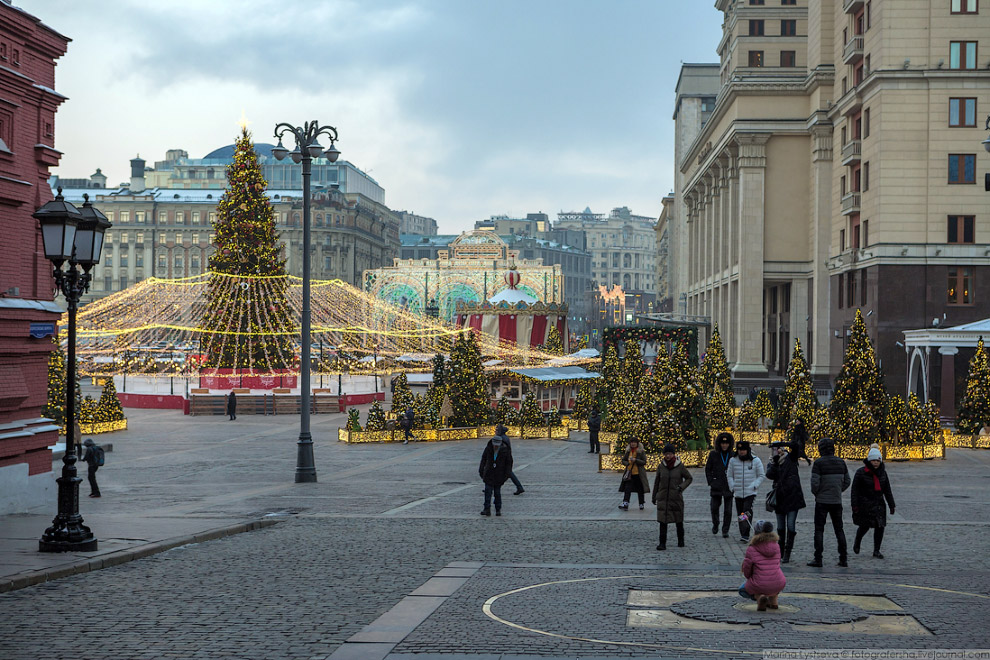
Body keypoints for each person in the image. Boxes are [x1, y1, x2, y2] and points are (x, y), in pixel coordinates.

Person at [808, 437, 851, 567]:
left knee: (819, 530)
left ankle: (818, 558)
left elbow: (814, 483)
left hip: (821, 501)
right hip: (836, 501)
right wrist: (838, 490)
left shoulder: (819, 463)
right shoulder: (841, 462)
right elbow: (847, 481)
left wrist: (818, 493)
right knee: (839, 529)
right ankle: (843, 558)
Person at [851, 447, 896, 559]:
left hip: (879, 504)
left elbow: (887, 490)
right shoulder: (861, 473)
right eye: (873, 460)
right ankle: (858, 541)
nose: (875, 463)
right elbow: (854, 491)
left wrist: (891, 505)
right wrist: (855, 505)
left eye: (877, 460)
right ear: (869, 461)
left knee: (880, 527)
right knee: (864, 526)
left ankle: (876, 550)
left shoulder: (883, 474)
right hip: (865, 504)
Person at [766, 442, 806, 563]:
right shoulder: (773, 462)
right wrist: (774, 462)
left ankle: (788, 552)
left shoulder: (791, 458)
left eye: (779, 449)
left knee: (791, 526)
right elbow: (769, 475)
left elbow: (796, 446)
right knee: (781, 527)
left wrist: (783, 443)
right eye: (775, 449)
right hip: (780, 498)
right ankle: (781, 552)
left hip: (793, 496)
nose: (777, 451)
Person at [651, 443, 693, 550]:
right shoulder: (661, 466)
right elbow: (657, 482)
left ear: (673, 454)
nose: (668, 456)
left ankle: (681, 540)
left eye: (669, 453)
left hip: (676, 497)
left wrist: (681, 487)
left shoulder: (679, 466)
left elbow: (689, 478)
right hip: (663, 498)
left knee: (678, 520)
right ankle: (662, 543)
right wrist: (654, 495)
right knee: (663, 521)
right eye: (666, 454)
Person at [739, 520, 786, 611]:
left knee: (742, 590)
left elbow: (747, 571)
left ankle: (759, 597)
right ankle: (773, 602)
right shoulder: (776, 546)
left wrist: (749, 577)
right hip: (778, 582)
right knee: (772, 580)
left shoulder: (752, 548)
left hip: (759, 584)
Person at [727, 439, 765, 542]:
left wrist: (754, 485)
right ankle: (743, 532)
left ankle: (746, 532)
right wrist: (732, 486)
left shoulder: (755, 460)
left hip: (750, 492)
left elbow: (761, 475)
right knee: (740, 513)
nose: (741, 452)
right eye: (739, 450)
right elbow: (730, 475)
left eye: (743, 450)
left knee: (747, 511)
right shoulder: (733, 460)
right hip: (738, 492)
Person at [705, 432, 735, 537]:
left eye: (726, 443)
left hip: (729, 486)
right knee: (714, 507)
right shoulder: (713, 454)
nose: (724, 445)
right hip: (716, 485)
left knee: (728, 510)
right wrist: (711, 481)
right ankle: (715, 523)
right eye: (722, 443)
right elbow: (708, 469)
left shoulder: (733, 455)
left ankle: (725, 529)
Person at [479, 435, 512, 516]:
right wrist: (481, 470)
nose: (495, 446)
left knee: (497, 493)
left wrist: (506, 475)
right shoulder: (488, 448)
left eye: (497, 444)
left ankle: (498, 509)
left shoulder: (505, 450)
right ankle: (487, 509)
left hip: (499, 474)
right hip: (489, 473)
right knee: (488, 491)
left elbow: (509, 463)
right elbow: (483, 459)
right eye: (494, 444)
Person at [618, 439, 649, 510]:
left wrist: (636, 460)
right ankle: (625, 503)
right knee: (627, 488)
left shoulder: (641, 451)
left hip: (639, 473)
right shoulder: (628, 451)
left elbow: (644, 462)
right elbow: (623, 460)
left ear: (637, 443)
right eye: (631, 442)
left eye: (634, 442)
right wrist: (627, 463)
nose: (633, 444)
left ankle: (641, 503)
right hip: (629, 473)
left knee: (640, 489)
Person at [495, 424, 525, 495]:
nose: (495, 431)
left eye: (496, 430)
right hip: (506, 459)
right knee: (507, 474)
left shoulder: (501, 438)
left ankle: (491, 487)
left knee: (505, 474)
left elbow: (499, 450)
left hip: (503, 459)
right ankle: (519, 487)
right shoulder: (504, 437)